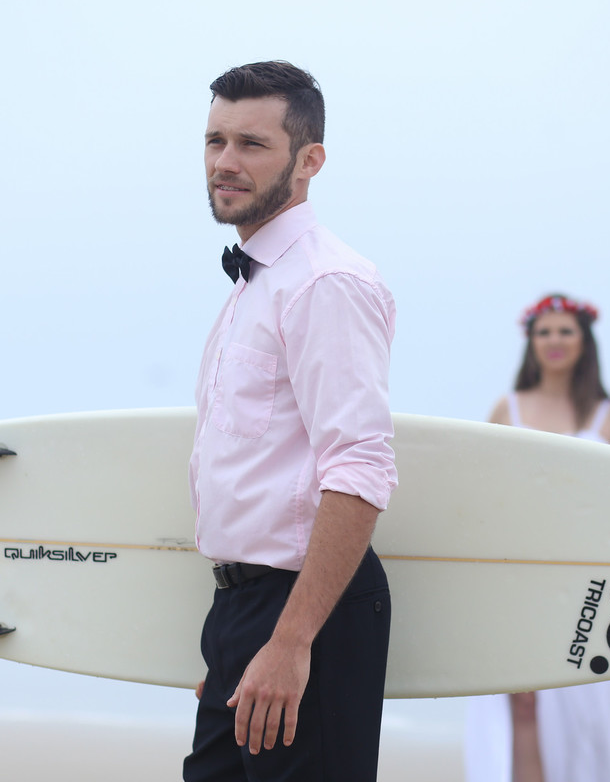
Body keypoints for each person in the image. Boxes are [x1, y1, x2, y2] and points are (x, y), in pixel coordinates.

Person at [184, 61, 397, 782]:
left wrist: (290, 640)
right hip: (242, 612)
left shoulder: (324, 283)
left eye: (252, 143)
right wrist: (236, 644)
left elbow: (361, 468)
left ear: (310, 161)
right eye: (215, 141)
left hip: (307, 610)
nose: (225, 162)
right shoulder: (257, 281)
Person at [464, 292, 610, 782]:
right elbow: (482, 501)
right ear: (530, 341)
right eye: (544, 332)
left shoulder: (609, 417)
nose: (554, 341)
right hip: (518, 578)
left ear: (584, 340)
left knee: (580, 716)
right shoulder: (507, 407)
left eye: (565, 331)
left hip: (589, 586)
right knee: (519, 705)